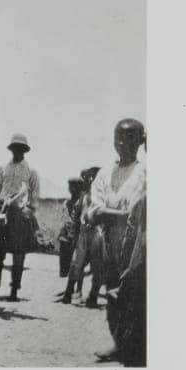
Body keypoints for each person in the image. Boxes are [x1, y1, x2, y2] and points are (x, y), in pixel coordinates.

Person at [86, 119, 147, 312]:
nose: (123, 143)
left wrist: (111, 214)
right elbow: (95, 213)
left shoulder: (145, 173)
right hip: (108, 251)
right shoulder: (104, 175)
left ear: (140, 141)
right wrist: (128, 215)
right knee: (114, 311)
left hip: (137, 257)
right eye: (119, 137)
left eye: (130, 138)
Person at [0, 133, 40, 302]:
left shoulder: (31, 171)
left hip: (19, 214)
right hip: (3, 211)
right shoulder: (3, 168)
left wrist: (29, 210)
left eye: (21, 148)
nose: (17, 151)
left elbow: (34, 199)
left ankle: (14, 291)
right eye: (15, 148)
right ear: (11, 149)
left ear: (25, 150)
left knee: (18, 254)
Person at [99, 194, 147, 366]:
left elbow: (137, 240)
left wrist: (130, 268)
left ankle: (125, 349)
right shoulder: (143, 201)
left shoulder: (144, 201)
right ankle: (122, 347)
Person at [60, 166, 101, 305]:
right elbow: (77, 215)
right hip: (83, 233)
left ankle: (93, 297)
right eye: (88, 177)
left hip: (98, 232)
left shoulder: (102, 194)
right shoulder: (84, 195)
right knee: (75, 264)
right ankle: (68, 293)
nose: (90, 179)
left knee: (97, 265)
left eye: (93, 176)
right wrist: (73, 234)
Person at [57, 177, 84, 279]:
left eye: (74, 186)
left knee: (75, 263)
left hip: (75, 236)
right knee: (64, 263)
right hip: (65, 235)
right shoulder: (66, 202)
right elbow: (63, 218)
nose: (71, 189)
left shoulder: (81, 202)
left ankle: (74, 288)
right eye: (70, 186)